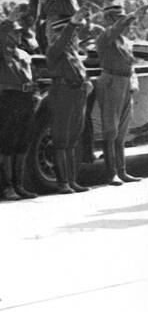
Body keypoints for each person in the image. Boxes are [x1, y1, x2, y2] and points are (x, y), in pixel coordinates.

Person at [93, 2, 143, 185]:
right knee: (110, 130)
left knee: (122, 131)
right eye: (117, 18)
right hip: (111, 81)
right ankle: (111, 172)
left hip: (124, 82)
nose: (122, 22)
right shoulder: (104, 37)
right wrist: (131, 16)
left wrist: (133, 83)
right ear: (108, 20)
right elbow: (114, 30)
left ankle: (122, 171)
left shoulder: (126, 41)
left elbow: (131, 66)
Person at [45, 10, 93, 194]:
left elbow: (81, 72)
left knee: (73, 138)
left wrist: (87, 82)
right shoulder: (55, 50)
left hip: (76, 94)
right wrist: (71, 23)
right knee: (61, 139)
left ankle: (72, 180)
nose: (75, 36)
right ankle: (63, 182)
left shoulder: (73, 53)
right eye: (72, 33)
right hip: (63, 93)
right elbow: (62, 41)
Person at [0, 18, 39, 200]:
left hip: (26, 98)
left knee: (24, 141)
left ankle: (19, 184)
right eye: (13, 32)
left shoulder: (23, 54)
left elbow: (33, 77)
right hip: (8, 98)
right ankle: (8, 186)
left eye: (18, 32)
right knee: (8, 143)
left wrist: (35, 95)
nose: (17, 35)